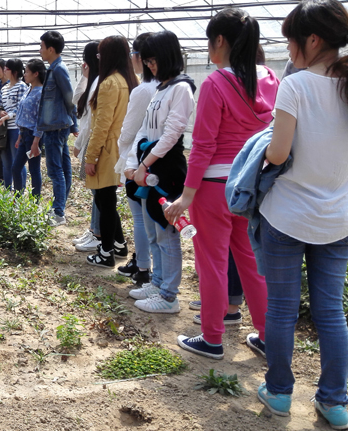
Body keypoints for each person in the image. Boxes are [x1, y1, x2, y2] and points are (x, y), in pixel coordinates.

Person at [254, 1, 348, 427]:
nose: (289, 49)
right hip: (338, 219)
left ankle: (279, 393)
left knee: (281, 309)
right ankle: (334, 401)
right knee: (331, 312)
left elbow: (278, 153)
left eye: (291, 40)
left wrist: (260, 150)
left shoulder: (296, 85)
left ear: (312, 39)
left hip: (288, 216)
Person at [165, 9, 278, 358]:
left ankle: (212, 338)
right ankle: (267, 336)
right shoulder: (270, 78)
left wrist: (186, 196)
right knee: (251, 262)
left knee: (211, 262)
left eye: (209, 42)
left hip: (214, 188)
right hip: (251, 185)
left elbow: (203, 145)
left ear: (220, 40)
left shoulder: (216, 83)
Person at [124, 30, 196, 313]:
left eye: (154, 60)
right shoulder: (159, 89)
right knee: (153, 229)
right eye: (147, 61)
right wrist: (133, 164)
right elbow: (144, 130)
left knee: (167, 233)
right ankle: (157, 282)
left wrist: (144, 164)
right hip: (148, 166)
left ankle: (169, 295)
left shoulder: (181, 88)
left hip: (166, 169)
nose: (150, 65)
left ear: (167, 56)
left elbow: (171, 134)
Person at [84, 35, 137, 267]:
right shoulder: (132, 80)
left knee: (104, 200)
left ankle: (106, 253)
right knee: (107, 199)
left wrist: (91, 156)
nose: (98, 58)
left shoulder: (108, 84)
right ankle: (119, 244)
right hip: (123, 147)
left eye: (100, 54)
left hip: (107, 148)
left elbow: (101, 125)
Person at [114, 32, 159, 281]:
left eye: (133, 54)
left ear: (141, 57)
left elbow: (129, 130)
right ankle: (145, 266)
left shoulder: (143, 90)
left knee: (141, 218)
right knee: (152, 219)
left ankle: (143, 267)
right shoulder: (166, 87)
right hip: (154, 158)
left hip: (137, 159)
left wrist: (121, 152)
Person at [38, 31, 79, 227]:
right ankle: (59, 206)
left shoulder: (59, 70)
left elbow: (70, 98)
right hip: (56, 126)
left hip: (56, 127)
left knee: (56, 171)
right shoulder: (53, 69)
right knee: (63, 169)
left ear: (51, 49)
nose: (40, 50)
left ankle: (59, 212)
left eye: (42, 47)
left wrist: (74, 124)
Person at [71, 42, 101, 252]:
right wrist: (84, 76)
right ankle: (94, 229)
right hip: (90, 140)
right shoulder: (94, 81)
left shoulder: (100, 82)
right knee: (94, 191)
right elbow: (76, 100)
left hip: (93, 142)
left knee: (98, 192)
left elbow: (91, 121)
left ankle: (98, 233)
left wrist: (79, 143)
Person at [12, 59, 46, 197]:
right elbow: (22, 114)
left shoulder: (40, 93)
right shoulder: (28, 89)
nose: (24, 74)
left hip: (33, 136)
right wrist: (20, 136)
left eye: (27, 72)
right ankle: (18, 198)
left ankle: (35, 200)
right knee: (16, 167)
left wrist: (36, 142)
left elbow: (40, 119)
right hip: (24, 134)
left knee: (34, 169)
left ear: (36, 74)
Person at [0, 58, 27, 190]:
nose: (4, 70)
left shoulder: (22, 86)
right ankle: (7, 189)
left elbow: (21, 107)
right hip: (4, 129)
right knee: (6, 161)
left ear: (14, 71)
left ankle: (20, 190)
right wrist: (0, 112)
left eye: (6, 68)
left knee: (17, 161)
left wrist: (7, 116)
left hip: (16, 129)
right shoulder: (4, 88)